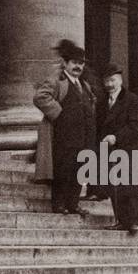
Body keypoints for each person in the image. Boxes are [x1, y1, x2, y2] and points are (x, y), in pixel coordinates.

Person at [34, 39, 96, 215]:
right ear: (66, 63)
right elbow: (40, 97)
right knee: (63, 169)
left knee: (79, 170)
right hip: (63, 136)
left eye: (81, 63)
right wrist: (58, 113)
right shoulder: (56, 81)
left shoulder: (85, 86)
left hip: (83, 137)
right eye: (74, 63)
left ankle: (73, 204)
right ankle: (59, 204)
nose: (78, 66)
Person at [96, 65, 138, 235]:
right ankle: (121, 220)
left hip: (128, 149)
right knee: (115, 186)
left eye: (113, 80)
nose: (109, 84)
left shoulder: (133, 100)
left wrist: (116, 137)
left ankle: (134, 221)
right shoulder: (102, 102)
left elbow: (136, 126)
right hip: (109, 150)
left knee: (131, 187)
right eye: (106, 81)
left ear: (120, 81)